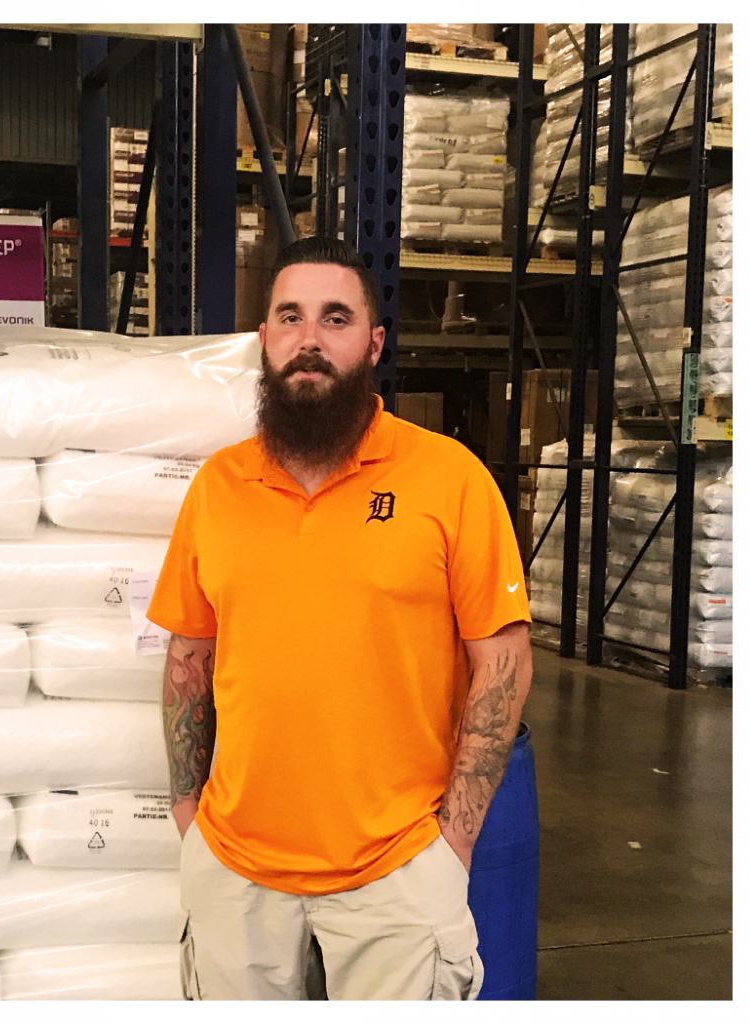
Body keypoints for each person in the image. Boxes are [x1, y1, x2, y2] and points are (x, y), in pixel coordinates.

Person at [146, 235, 533, 1001]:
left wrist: (450, 841)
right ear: (264, 340)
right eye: (289, 317)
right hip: (234, 869)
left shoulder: (448, 478)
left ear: (373, 343)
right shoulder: (219, 488)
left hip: (395, 869)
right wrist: (188, 812)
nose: (309, 340)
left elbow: (503, 660)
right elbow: (188, 655)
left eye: (335, 318)